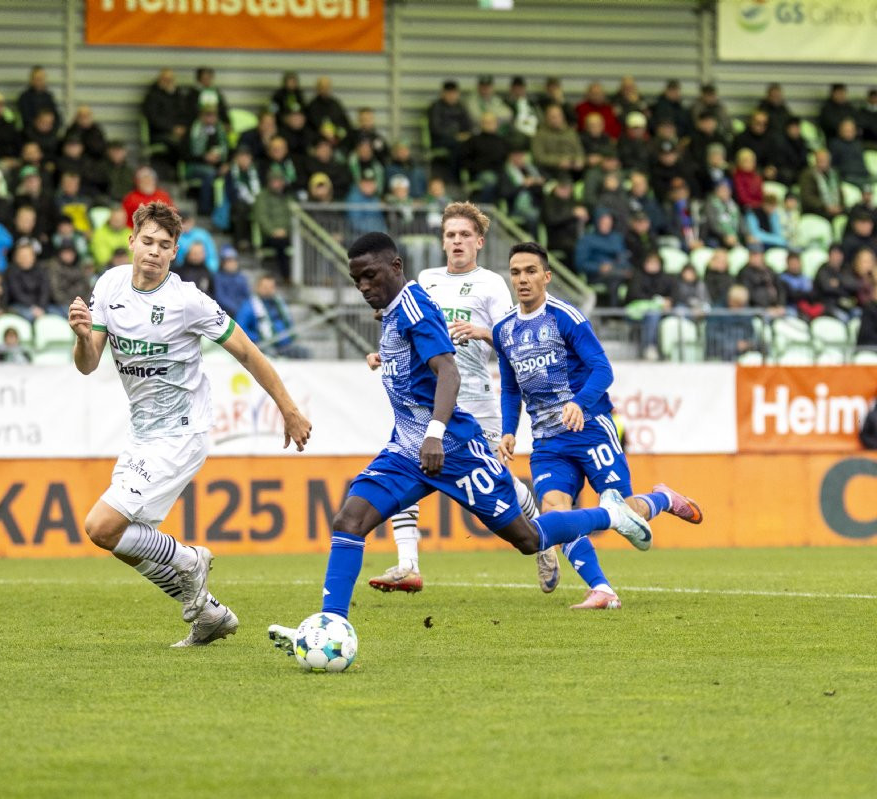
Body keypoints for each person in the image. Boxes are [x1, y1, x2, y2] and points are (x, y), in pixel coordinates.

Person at [267, 234, 656, 655]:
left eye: (370, 275)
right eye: (356, 279)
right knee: (349, 520)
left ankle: (608, 514)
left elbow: (448, 372)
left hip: (453, 449)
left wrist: (435, 434)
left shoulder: (415, 306)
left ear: (396, 267)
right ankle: (330, 626)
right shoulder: (394, 313)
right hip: (406, 451)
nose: (363, 286)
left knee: (528, 539)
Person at [67, 200, 311, 647]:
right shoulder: (110, 285)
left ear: (176, 251)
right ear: (131, 241)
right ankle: (212, 614)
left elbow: (248, 352)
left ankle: (190, 559)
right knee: (119, 540)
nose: (153, 252)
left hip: (182, 431)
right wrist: (83, 338)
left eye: (164, 245)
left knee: (101, 526)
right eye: (147, 242)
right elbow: (88, 364)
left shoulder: (187, 301)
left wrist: (289, 408)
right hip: (141, 434)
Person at [492, 242, 704, 609]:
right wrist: (509, 429)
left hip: (590, 428)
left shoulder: (565, 317)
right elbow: (511, 388)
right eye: (515, 272)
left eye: (530, 271)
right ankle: (602, 589)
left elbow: (602, 369)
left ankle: (663, 498)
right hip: (547, 442)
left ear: (547, 276)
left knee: (622, 511)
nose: (522, 279)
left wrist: (578, 402)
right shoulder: (504, 329)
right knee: (557, 512)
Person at [366, 203, 563, 596]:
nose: (457, 241)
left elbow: (515, 337)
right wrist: (385, 354)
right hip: (430, 400)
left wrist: (482, 330)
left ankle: (543, 538)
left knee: (499, 483)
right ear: (443, 241)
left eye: (464, 235)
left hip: (475, 400)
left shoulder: (491, 284)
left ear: (479, 242)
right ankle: (408, 564)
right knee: (404, 465)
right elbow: (413, 332)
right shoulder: (425, 280)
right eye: (450, 235)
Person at [235, 273, 309, 359]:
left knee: (304, 353)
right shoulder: (249, 306)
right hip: (263, 346)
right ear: (257, 287)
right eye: (265, 287)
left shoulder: (280, 304)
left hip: (285, 345)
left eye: (271, 287)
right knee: (270, 355)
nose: (268, 290)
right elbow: (240, 329)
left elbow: (289, 323)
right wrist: (258, 338)